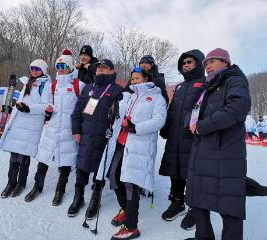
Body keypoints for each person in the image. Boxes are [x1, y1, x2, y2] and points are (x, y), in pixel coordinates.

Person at [185, 48, 251, 240]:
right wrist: (190, 122)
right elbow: (197, 113)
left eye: (212, 61)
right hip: (202, 152)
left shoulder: (234, 80)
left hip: (225, 154)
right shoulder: (208, 87)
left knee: (228, 206)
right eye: (205, 63)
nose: (208, 66)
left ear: (225, 62)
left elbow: (237, 108)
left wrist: (202, 126)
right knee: (198, 200)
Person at [96, 66, 167, 240]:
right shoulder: (129, 96)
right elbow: (118, 117)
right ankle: (126, 210)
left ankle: (131, 226)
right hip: (121, 143)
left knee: (130, 183)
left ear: (146, 79)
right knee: (113, 175)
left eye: (137, 78)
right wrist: (112, 122)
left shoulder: (156, 97)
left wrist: (137, 128)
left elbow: (159, 120)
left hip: (138, 146)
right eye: (132, 78)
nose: (134, 81)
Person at [24, 50, 85, 205]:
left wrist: (80, 127)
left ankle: (60, 190)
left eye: (63, 65)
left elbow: (84, 108)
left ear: (70, 66)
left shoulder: (79, 85)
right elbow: (48, 102)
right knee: (44, 156)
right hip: (53, 126)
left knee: (66, 158)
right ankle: (38, 186)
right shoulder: (54, 85)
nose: (60, 68)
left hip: (69, 127)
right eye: (58, 65)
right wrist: (49, 108)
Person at [67, 59, 124, 217]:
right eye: (98, 67)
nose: (100, 70)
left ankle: (95, 200)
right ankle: (78, 198)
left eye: (104, 68)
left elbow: (121, 116)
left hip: (104, 137)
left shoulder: (118, 90)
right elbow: (78, 111)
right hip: (86, 134)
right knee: (82, 166)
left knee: (100, 169)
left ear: (112, 71)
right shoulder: (88, 88)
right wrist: (76, 130)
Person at [159, 49, 206, 230]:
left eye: (189, 62)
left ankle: (195, 208)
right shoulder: (179, 87)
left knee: (193, 173)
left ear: (199, 63)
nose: (186, 65)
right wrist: (165, 128)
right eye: (183, 63)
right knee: (176, 171)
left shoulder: (205, 82)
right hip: (175, 137)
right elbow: (172, 110)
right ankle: (177, 203)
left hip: (194, 137)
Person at [0, 59, 52, 198]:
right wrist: (11, 109)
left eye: (37, 68)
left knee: (23, 156)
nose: (34, 70)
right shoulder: (27, 82)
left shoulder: (45, 84)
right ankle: (11, 182)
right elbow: (23, 101)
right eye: (32, 68)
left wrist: (29, 109)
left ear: (43, 71)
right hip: (19, 122)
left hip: (31, 124)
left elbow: (45, 105)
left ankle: (20, 184)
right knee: (14, 154)